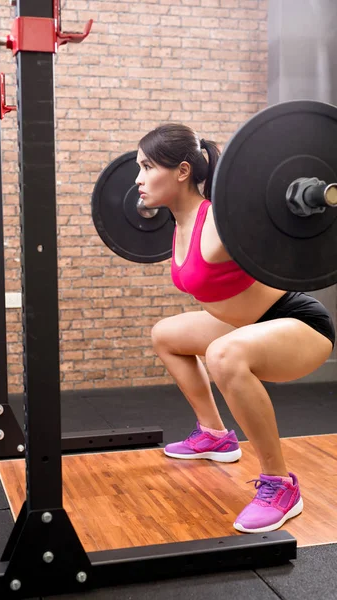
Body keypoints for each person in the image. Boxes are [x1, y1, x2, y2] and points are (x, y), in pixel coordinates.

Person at [134, 123, 335, 534]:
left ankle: (281, 486)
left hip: (296, 322)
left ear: (183, 172)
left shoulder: (222, 223)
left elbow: (276, 228)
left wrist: (312, 198)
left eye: (147, 166)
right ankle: (214, 434)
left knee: (223, 354)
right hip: (246, 324)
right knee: (166, 335)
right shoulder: (178, 224)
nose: (137, 178)